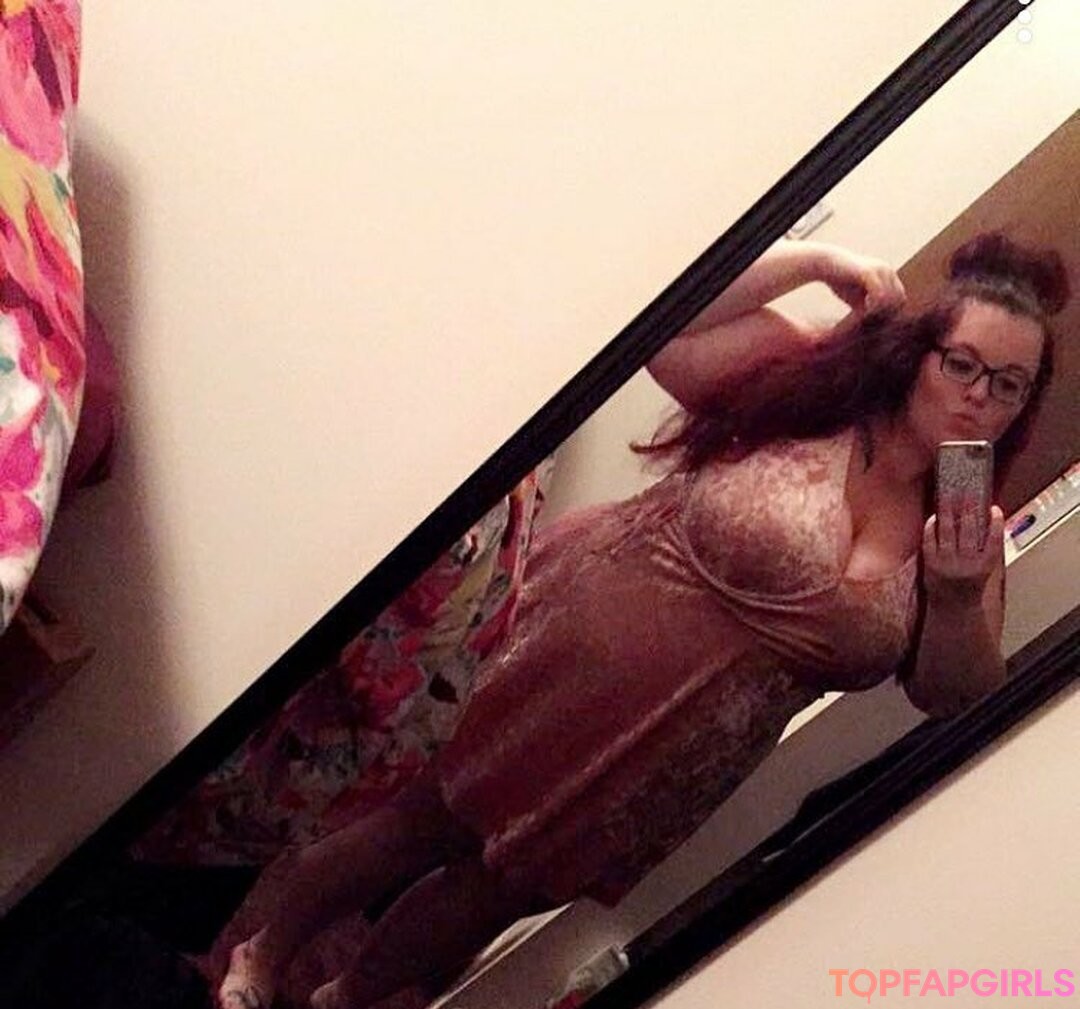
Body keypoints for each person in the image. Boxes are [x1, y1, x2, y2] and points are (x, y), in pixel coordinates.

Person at [214, 232, 1070, 1009]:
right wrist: (815, 261)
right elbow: (670, 328)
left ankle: (348, 998)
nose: (977, 397)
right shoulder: (820, 386)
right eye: (962, 363)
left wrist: (957, 596)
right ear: (921, 349)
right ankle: (267, 947)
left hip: (673, 754)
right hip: (571, 645)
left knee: (496, 890)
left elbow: (956, 693)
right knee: (420, 819)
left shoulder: (964, 534)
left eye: (1007, 383)